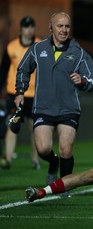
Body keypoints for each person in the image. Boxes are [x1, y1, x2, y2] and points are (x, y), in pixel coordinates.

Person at [15, 12, 93, 185]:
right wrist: (20, 92)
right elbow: (23, 69)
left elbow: (92, 79)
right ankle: (53, 163)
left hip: (69, 109)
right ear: (51, 27)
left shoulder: (79, 52)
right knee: (43, 148)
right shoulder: (38, 49)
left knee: (66, 149)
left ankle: (63, 185)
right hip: (44, 108)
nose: (64, 30)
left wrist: (82, 80)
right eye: (60, 26)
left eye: (67, 26)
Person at [0, 16, 41, 170]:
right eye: (26, 27)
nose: (29, 30)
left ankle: (35, 159)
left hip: (35, 94)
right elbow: (3, 71)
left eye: (31, 27)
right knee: (13, 125)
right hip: (15, 93)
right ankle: (8, 158)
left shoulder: (40, 46)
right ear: (21, 29)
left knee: (35, 128)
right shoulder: (11, 47)